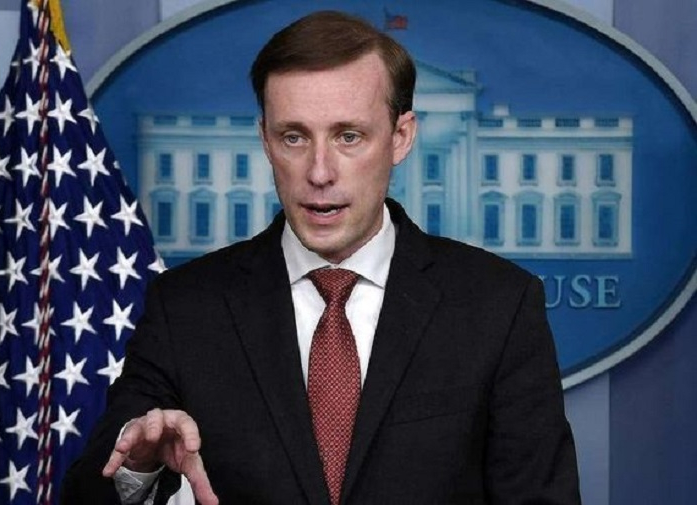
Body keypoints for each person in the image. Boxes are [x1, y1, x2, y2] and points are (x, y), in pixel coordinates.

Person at [62, 10, 580, 505]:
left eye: (348, 136)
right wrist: (139, 468)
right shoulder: (186, 307)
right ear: (266, 141)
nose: (319, 172)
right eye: (294, 137)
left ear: (401, 137)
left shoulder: (499, 304)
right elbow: (89, 494)